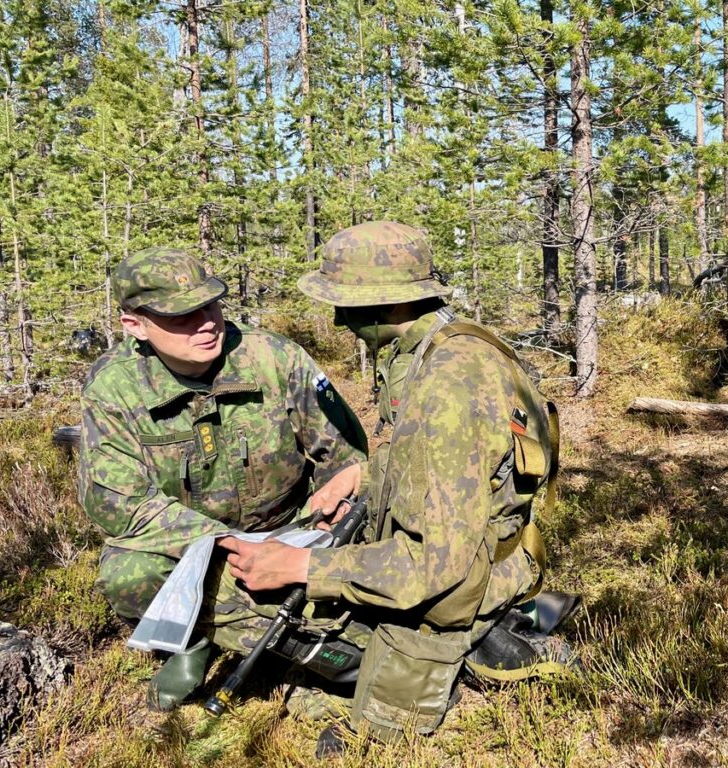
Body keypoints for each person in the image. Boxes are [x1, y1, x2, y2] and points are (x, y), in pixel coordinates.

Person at [218, 221, 574, 755]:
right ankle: (480, 638)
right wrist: (364, 474)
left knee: (228, 596)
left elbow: (433, 565)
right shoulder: (452, 345)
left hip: (453, 594)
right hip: (494, 561)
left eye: (346, 306)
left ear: (386, 305)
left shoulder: (445, 389)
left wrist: (302, 569)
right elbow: (455, 464)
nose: (338, 320)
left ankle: (440, 657)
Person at [77, 246, 368, 711]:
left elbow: (345, 451)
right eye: (182, 316)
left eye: (211, 305)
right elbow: (117, 503)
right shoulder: (114, 387)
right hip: (194, 544)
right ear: (135, 325)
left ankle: (290, 638)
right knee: (129, 574)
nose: (207, 322)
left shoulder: (273, 357)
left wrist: (334, 510)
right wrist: (229, 544)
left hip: (294, 527)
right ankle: (196, 641)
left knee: (375, 528)